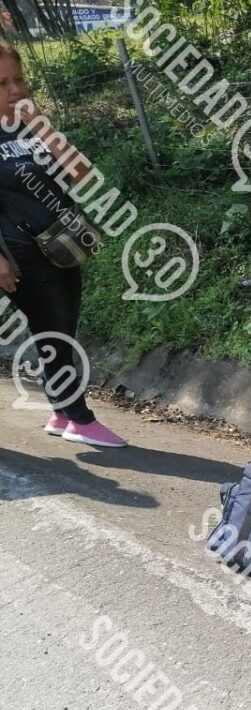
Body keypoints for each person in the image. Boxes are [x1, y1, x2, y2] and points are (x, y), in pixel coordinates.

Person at [0, 43, 125, 447]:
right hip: (16, 251)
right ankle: (79, 418)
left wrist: (44, 129)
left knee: (59, 328)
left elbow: (82, 175)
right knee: (54, 334)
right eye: (2, 83)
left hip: (59, 244)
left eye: (19, 79)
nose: (16, 90)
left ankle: (59, 412)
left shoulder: (30, 126)